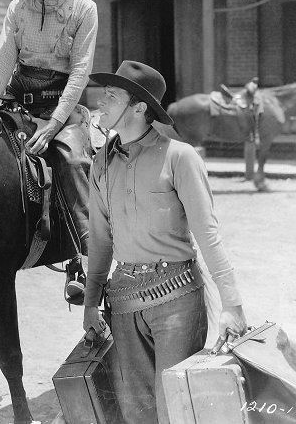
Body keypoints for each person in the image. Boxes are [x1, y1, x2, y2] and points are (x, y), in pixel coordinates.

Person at [82, 60, 248, 424]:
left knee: (176, 408)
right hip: (123, 304)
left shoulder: (180, 156)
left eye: (111, 95)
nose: (100, 103)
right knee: (135, 411)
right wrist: (91, 303)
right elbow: (99, 240)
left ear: (139, 107)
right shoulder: (100, 165)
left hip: (177, 303)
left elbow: (208, 234)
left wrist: (231, 303)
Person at [0, 0, 98, 304]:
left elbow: (81, 71)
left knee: (72, 160)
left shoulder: (83, 9)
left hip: (62, 103)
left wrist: (56, 123)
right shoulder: (17, 7)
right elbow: (4, 56)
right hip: (19, 98)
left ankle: (86, 259)